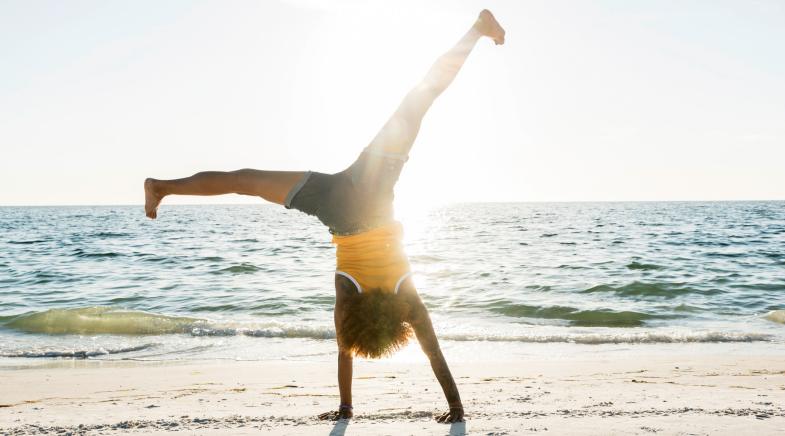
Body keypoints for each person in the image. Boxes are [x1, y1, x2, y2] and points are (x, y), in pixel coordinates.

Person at [144, 9, 505, 424]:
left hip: (370, 193)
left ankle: (477, 30)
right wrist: (346, 407)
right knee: (247, 181)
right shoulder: (348, 295)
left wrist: (456, 408)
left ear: (393, 321)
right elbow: (345, 348)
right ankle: (163, 187)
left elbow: (431, 351)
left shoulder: (405, 297)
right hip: (335, 205)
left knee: (419, 100)